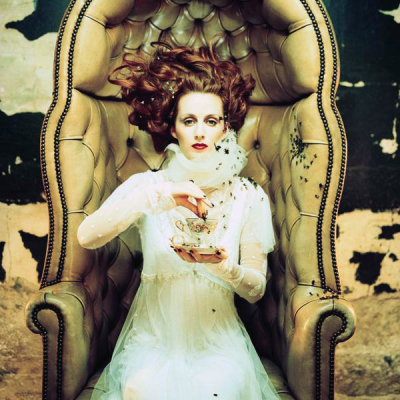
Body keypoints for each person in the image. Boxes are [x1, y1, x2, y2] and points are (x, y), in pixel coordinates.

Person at [77, 40, 280, 400]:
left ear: (225, 128)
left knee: (215, 391)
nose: (200, 132)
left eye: (211, 121)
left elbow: (255, 290)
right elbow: (87, 236)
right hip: (152, 343)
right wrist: (161, 198)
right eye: (189, 121)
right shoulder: (148, 187)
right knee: (140, 390)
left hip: (218, 344)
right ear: (173, 128)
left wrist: (223, 267)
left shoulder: (248, 196)